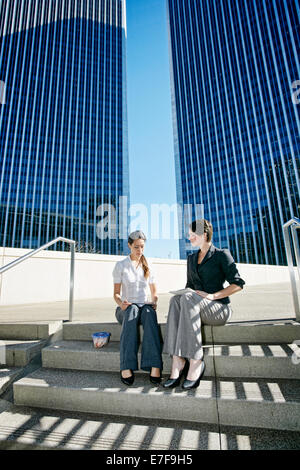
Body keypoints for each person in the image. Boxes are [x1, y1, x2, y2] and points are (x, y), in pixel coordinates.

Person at [162, 219, 245, 390]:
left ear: (204, 235)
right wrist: (177, 308)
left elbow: (237, 284)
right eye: (189, 235)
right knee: (175, 300)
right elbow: (189, 288)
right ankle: (177, 360)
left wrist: (213, 296)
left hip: (218, 308)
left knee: (186, 299)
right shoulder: (191, 258)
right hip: (195, 306)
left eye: (192, 235)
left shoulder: (222, 254)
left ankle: (195, 360)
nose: (189, 238)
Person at [113, 230, 163, 386]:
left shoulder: (149, 265)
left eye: (142, 247)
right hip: (126, 308)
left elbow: (154, 293)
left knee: (149, 313)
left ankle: (154, 365)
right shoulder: (121, 265)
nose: (139, 250)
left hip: (144, 307)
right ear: (129, 245)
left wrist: (154, 301)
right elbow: (116, 294)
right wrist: (122, 303)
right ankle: (126, 366)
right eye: (136, 247)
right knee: (132, 310)